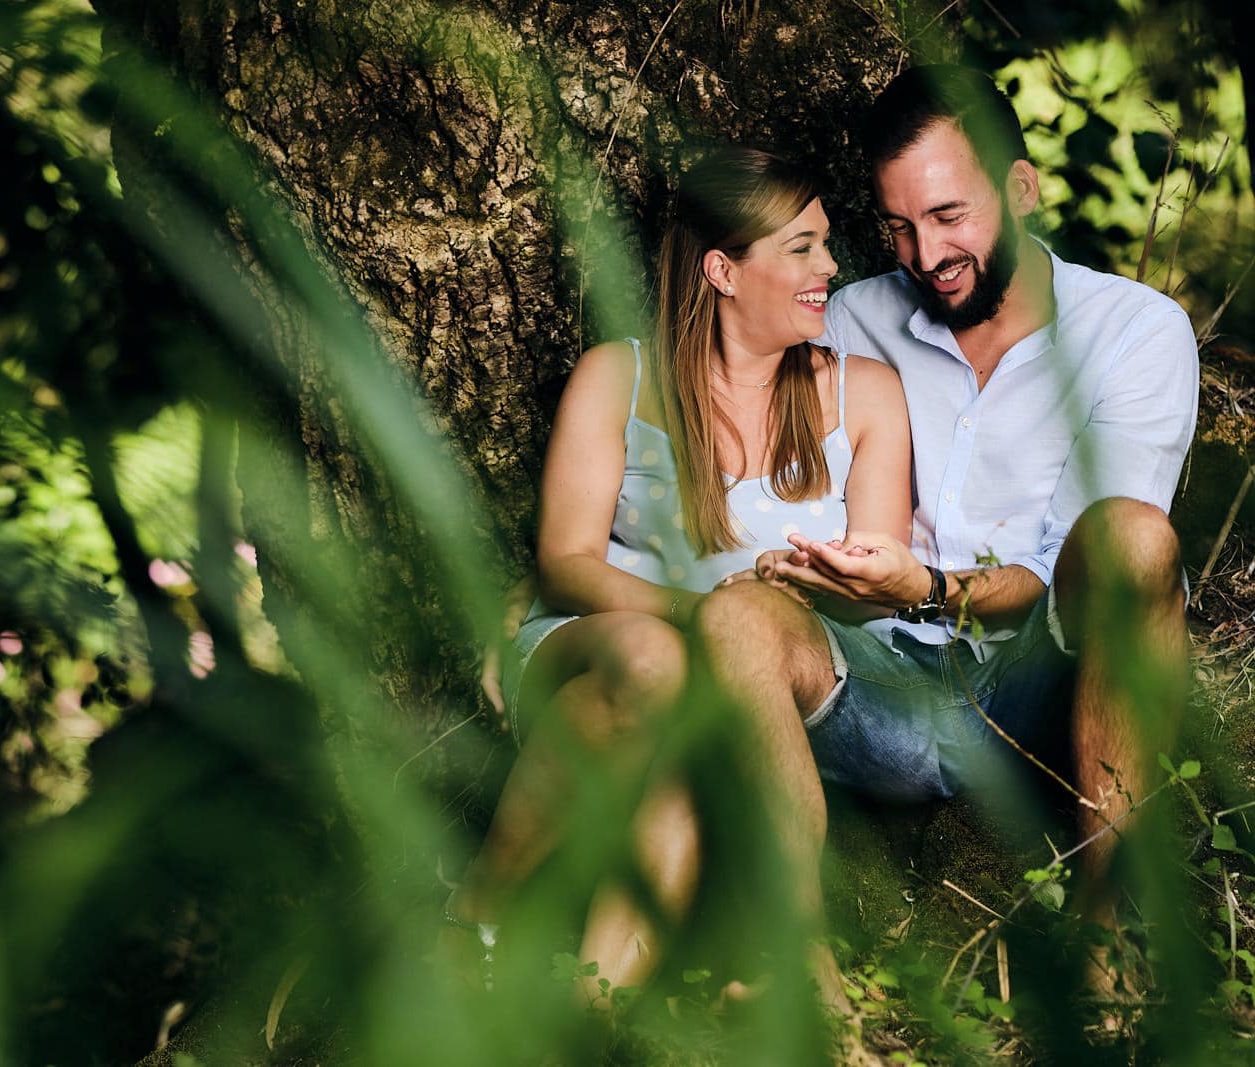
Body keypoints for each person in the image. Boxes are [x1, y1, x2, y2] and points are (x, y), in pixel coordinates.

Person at [755, 63, 1199, 983]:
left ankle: (1105, 937)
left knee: (1133, 538)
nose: (926, 255)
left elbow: (1069, 573)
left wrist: (926, 588)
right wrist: (587, 556)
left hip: (1040, 689)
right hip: (875, 676)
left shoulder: (1134, 333)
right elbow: (722, 434)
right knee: (740, 616)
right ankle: (788, 960)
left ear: (1021, 189)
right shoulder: (849, 319)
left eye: (950, 215)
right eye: (899, 226)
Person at [446, 145, 913, 1007]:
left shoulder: (866, 395)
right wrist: (700, 608)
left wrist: (807, 585)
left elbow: (875, 587)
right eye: (802, 247)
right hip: (600, 646)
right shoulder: (617, 376)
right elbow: (567, 563)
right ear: (723, 271)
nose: (830, 267)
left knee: (684, 742)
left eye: (826, 243)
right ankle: (479, 910)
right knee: (655, 661)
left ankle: (586, 1008)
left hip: (751, 679)